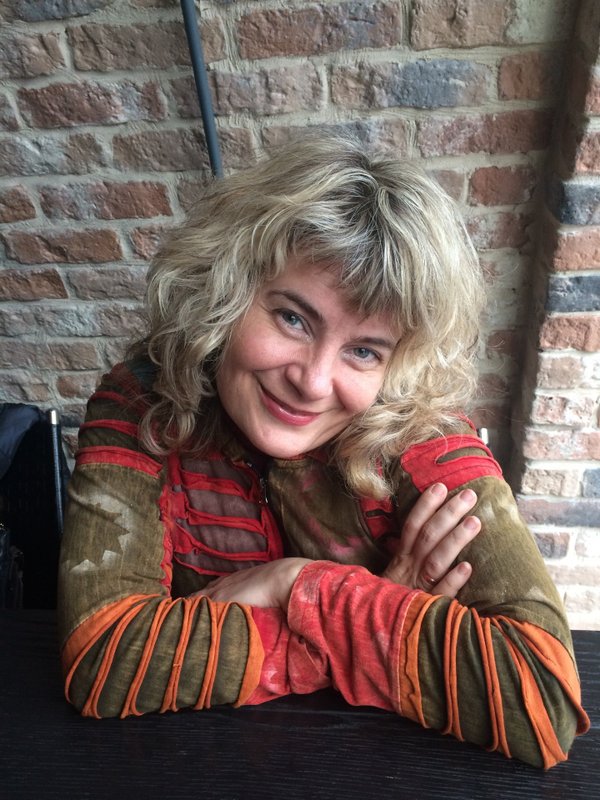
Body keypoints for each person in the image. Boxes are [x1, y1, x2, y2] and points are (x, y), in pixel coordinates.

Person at [57, 133, 589, 768]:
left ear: (398, 364)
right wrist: (381, 610)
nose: (312, 382)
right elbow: (104, 659)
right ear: (226, 290)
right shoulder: (144, 401)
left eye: (363, 351)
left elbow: (539, 699)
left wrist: (300, 587)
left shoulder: (425, 438)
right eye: (292, 318)